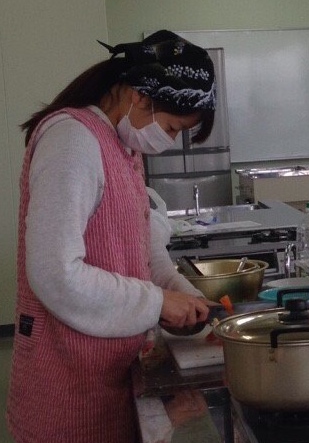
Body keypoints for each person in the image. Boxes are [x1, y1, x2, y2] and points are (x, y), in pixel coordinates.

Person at [7, 30, 218, 443]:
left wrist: (182, 292)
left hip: (108, 371)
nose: (169, 141)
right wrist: (157, 302)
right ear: (140, 96)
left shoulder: (123, 146)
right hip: (68, 383)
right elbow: (55, 273)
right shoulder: (72, 141)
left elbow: (142, 247)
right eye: (172, 128)